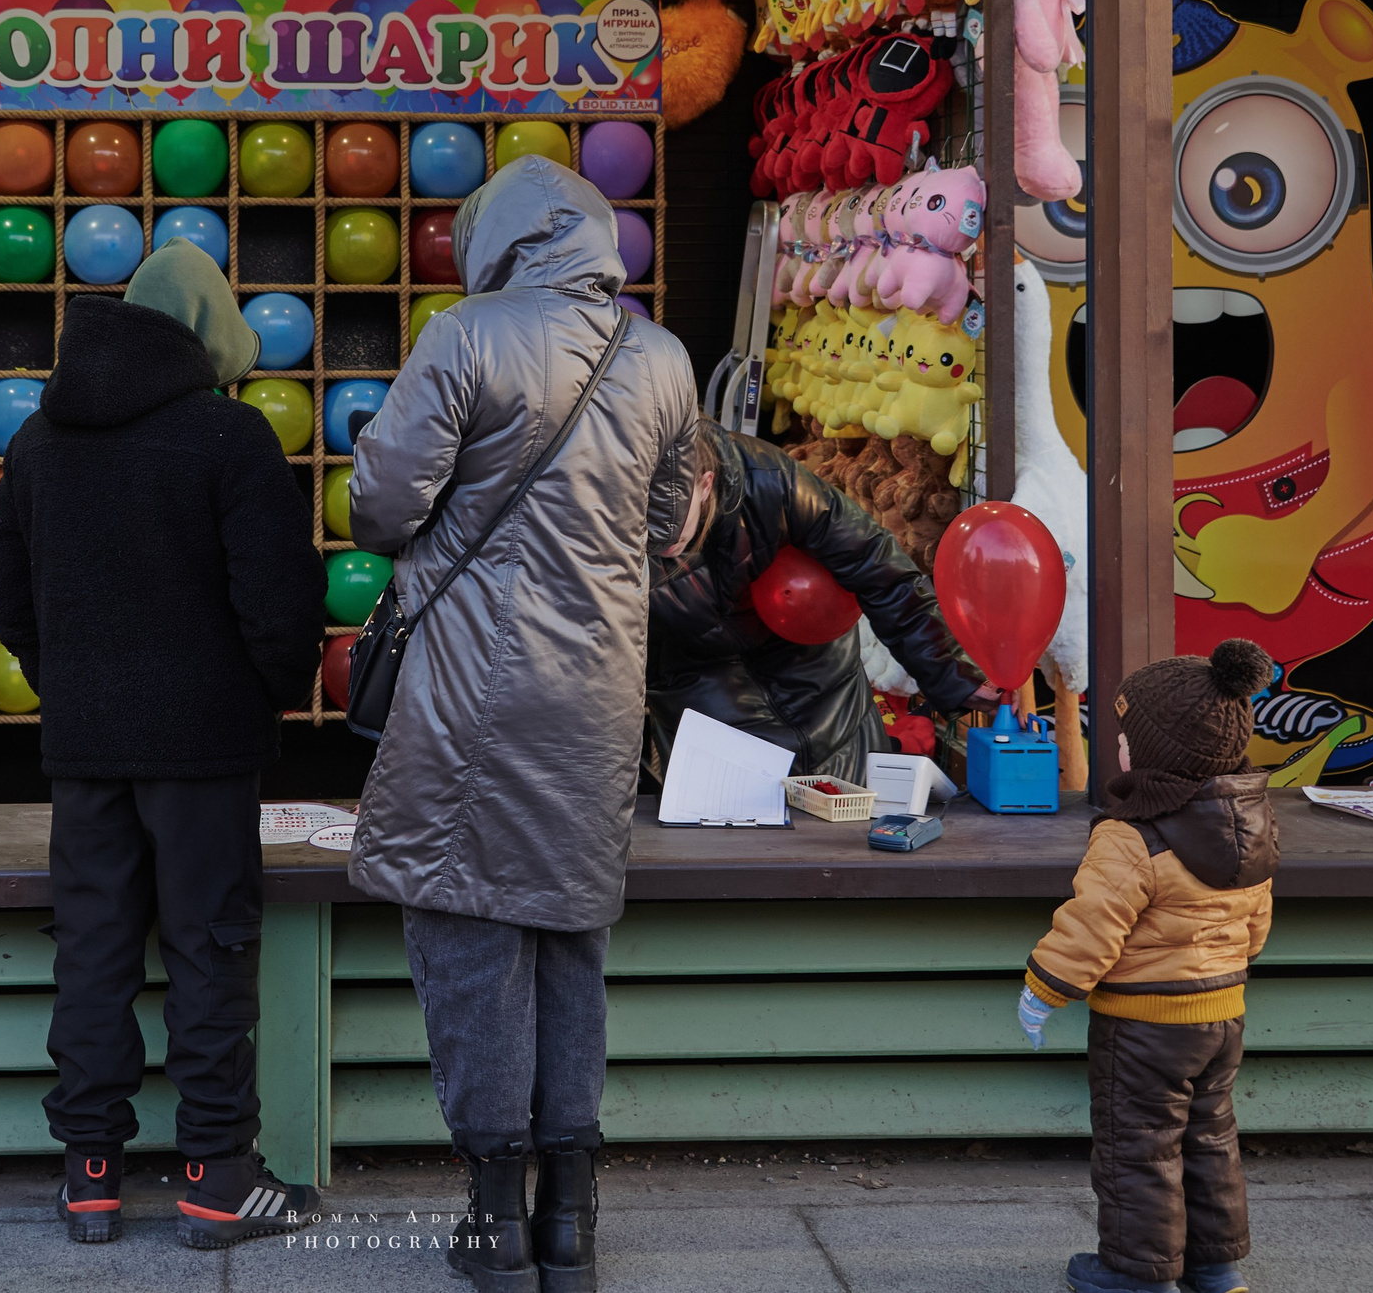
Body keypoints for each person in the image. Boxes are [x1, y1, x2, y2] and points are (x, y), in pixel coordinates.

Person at [347, 158, 701, 1293]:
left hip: (468, 689)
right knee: (569, 936)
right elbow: (663, 521)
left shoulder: (463, 335)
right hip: (597, 688)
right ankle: (573, 1223)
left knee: (465, 932)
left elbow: (384, 505)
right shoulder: (660, 357)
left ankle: (495, 1216)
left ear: (488, 236)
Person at [0, 240, 327, 1251]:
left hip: (84, 748)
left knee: (92, 950)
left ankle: (89, 1173)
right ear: (209, 332)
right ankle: (220, 1178)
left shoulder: (38, 441)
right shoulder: (231, 438)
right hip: (205, 750)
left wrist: (75, 688)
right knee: (209, 950)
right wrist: (259, 694)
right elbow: (279, 602)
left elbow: (9, 599)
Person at [1018, 639, 1278, 1293]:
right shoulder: (1247, 825)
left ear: (1158, 753)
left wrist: (1046, 988)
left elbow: (1093, 924)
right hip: (1222, 1011)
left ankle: (1137, 1272)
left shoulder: (1130, 836)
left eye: (1129, 738)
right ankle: (1215, 1267)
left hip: (1143, 1022)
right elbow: (1254, 928)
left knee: (1138, 1143)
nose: (1122, 750)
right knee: (1209, 1135)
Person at [646, 418, 986, 784]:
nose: (664, 539)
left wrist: (955, 676)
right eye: (648, 520)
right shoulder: (596, 518)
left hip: (818, 664)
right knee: (739, 819)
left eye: (674, 519)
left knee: (854, 807)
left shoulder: (766, 477)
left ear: (705, 484)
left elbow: (877, 566)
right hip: (698, 677)